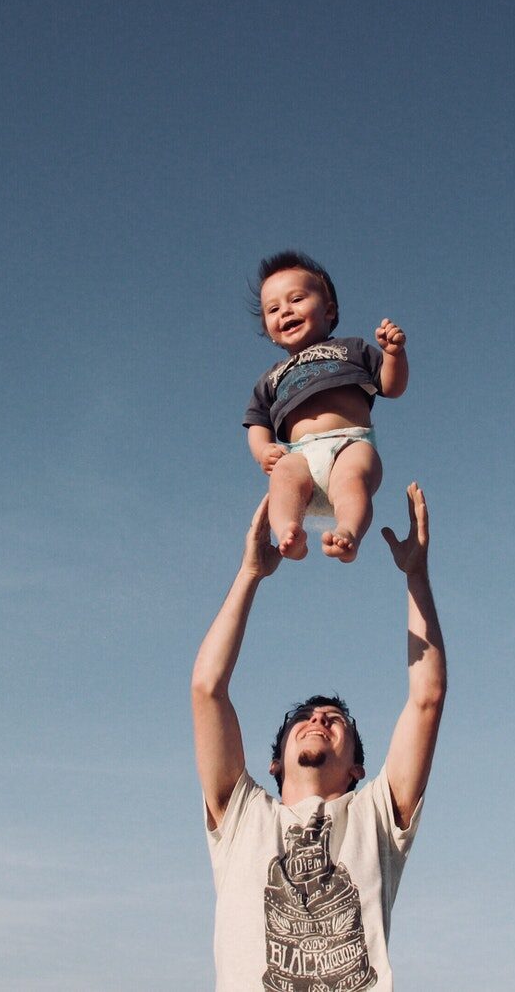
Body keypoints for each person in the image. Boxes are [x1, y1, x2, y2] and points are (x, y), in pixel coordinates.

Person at [191, 484, 447, 990]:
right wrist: (249, 574)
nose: (319, 720)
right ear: (275, 763)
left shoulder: (375, 816)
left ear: (357, 768)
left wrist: (416, 575)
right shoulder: (243, 817)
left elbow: (427, 698)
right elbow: (207, 689)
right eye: (304, 718)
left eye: (336, 720)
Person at [244, 251, 409, 564]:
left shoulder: (352, 349)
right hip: (299, 454)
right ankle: (288, 531)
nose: (285, 311)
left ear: (329, 310)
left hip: (351, 442)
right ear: (269, 330)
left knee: (351, 481)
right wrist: (263, 451)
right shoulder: (271, 377)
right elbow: (257, 421)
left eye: (297, 299)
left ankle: (348, 532)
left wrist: (393, 355)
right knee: (283, 478)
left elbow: (391, 387)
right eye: (274, 308)